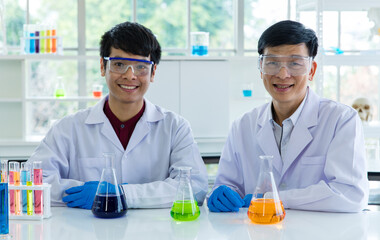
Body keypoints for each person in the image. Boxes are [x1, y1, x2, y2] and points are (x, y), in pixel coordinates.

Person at [27, 21, 208, 209]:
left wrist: (119, 195)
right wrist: (88, 192)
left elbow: (194, 188)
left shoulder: (175, 127)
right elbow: (31, 186)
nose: (130, 76)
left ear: (153, 72)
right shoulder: (68, 128)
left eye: (141, 66)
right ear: (102, 66)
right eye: (119, 64)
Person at [207, 20, 368, 213]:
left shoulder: (341, 120)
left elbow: (349, 194)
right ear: (260, 68)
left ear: (312, 70)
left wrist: (271, 198)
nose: (283, 74)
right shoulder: (243, 126)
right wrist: (222, 194)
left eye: (295, 63)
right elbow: (228, 187)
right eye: (272, 63)